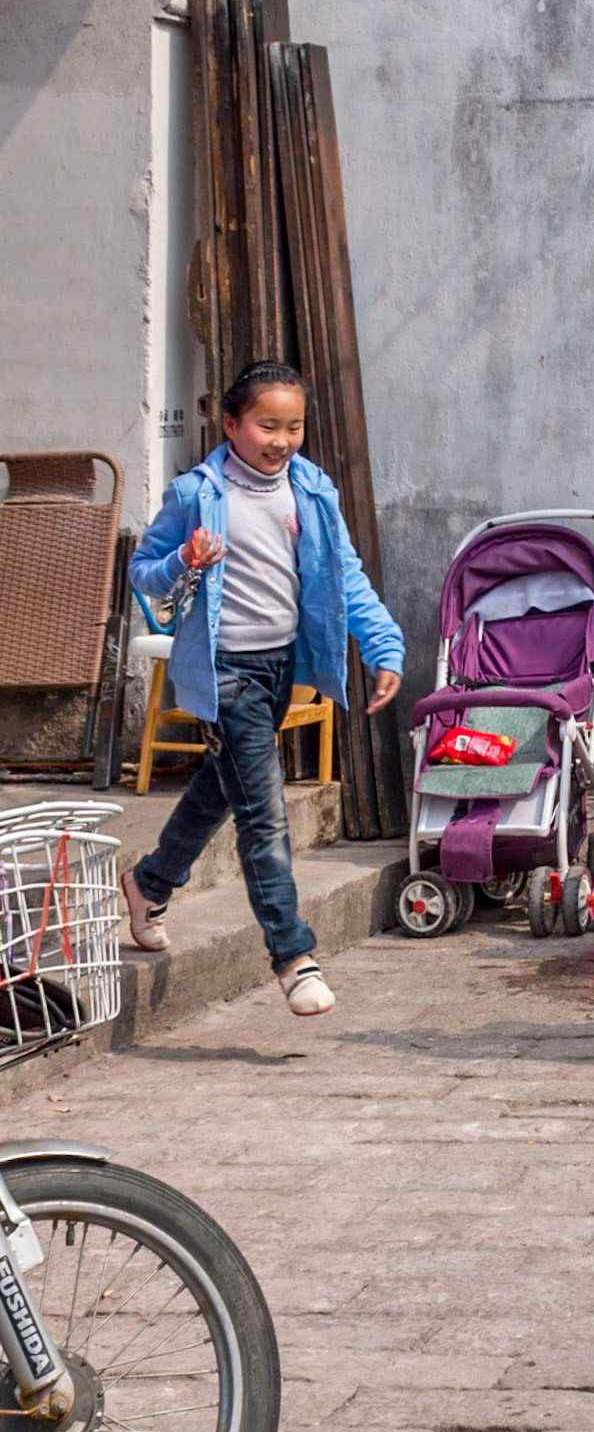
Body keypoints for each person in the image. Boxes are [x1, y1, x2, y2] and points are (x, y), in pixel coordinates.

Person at [122, 360, 405, 1017]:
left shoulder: (309, 490)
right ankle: (292, 954)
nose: (280, 439)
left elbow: (344, 578)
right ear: (231, 423)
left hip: (279, 667)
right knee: (264, 816)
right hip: (225, 673)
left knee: (220, 787)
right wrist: (184, 560)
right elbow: (146, 575)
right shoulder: (197, 493)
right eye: (266, 424)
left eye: (294, 426)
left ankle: (149, 881)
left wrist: (383, 642)